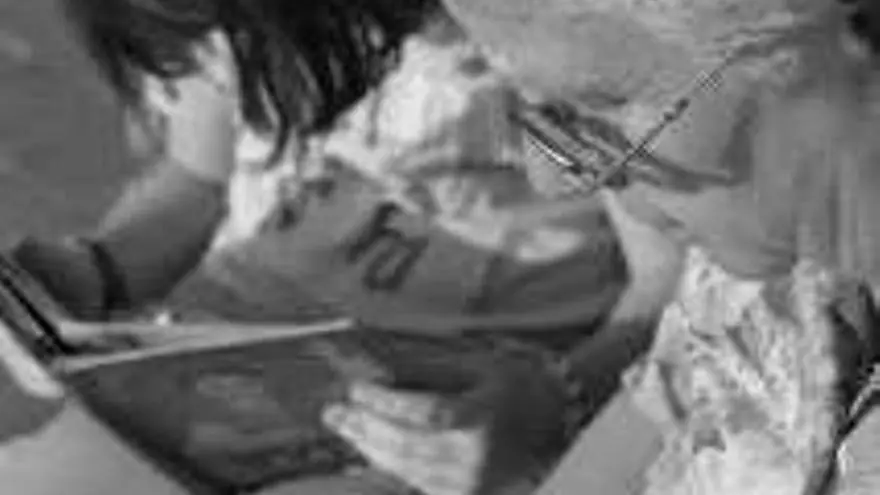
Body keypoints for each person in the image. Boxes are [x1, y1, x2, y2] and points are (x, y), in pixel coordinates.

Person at [18, 1, 667, 494]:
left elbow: (671, 285)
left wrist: (559, 400)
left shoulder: (548, 33)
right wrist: (89, 273)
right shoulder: (213, 17)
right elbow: (199, 178)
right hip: (206, 360)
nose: (226, 56)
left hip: (427, 414)